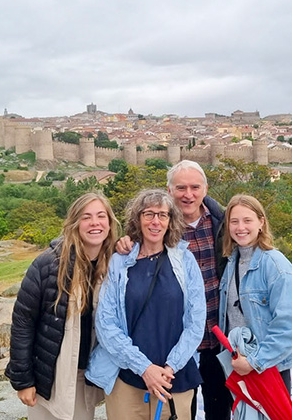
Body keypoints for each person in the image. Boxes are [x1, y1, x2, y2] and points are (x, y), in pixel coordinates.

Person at [116, 160, 232, 420]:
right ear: (170, 191)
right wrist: (123, 242)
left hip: (217, 333)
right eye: (181, 187)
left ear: (205, 189)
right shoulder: (159, 225)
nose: (188, 194)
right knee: (180, 411)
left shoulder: (224, 224)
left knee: (219, 407)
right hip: (176, 341)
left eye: (194, 187)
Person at [87, 189, 206, 420]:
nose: (155, 221)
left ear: (171, 220)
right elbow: (106, 324)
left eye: (162, 215)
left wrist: (170, 368)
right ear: (137, 219)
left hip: (174, 380)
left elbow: (196, 322)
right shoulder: (120, 261)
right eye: (148, 214)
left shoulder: (185, 260)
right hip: (127, 380)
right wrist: (144, 368)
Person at [6, 192, 120, 420]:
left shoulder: (115, 262)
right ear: (75, 223)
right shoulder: (49, 264)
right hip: (49, 376)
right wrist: (23, 380)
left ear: (110, 223)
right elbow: (23, 322)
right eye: (87, 217)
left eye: (101, 216)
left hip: (84, 375)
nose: (95, 223)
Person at [218, 194, 292, 391]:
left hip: (268, 369)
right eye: (234, 221)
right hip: (239, 367)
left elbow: (289, 328)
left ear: (261, 223)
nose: (241, 228)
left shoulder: (276, 267)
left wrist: (254, 361)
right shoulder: (232, 262)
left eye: (247, 220)